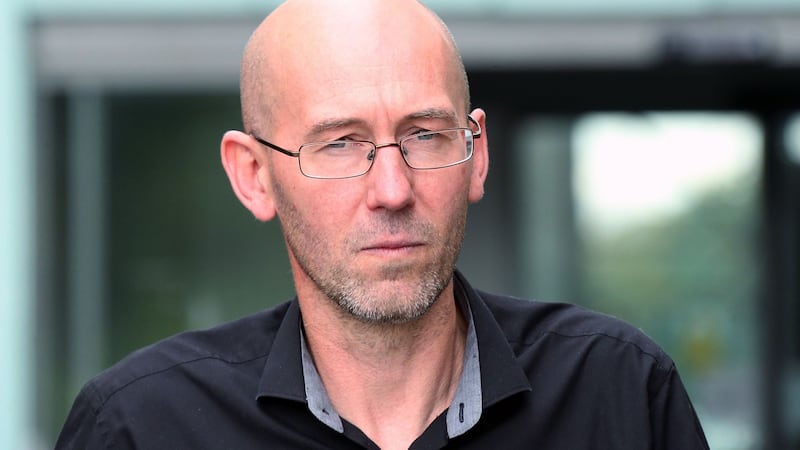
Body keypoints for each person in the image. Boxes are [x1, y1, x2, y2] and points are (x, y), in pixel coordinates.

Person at [55, 0, 710, 449]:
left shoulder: (616, 393)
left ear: (475, 155)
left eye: (424, 135)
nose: (392, 190)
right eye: (339, 143)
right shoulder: (143, 428)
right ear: (254, 176)